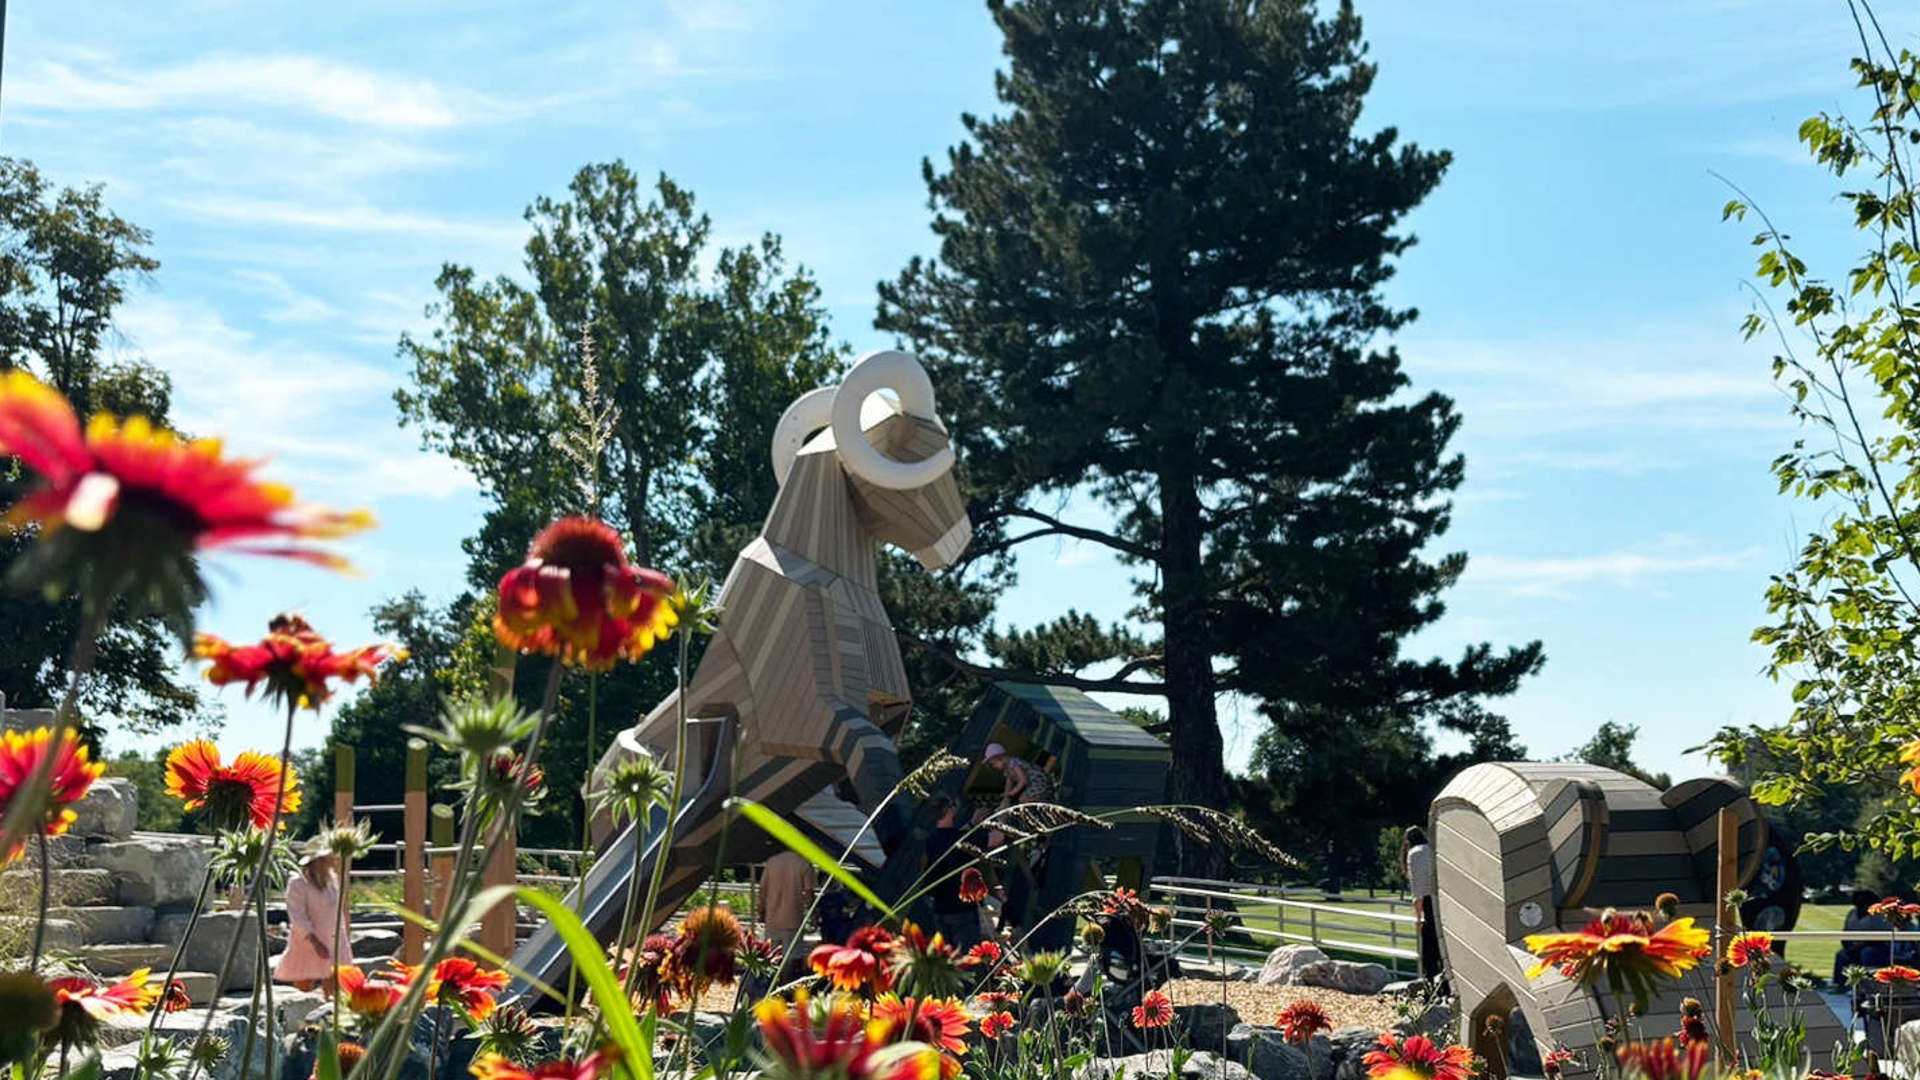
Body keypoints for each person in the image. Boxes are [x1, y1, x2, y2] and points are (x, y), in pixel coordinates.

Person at [276, 845, 351, 991]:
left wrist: (342, 932)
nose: (334, 861)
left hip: (333, 936)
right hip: (309, 938)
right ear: (317, 861)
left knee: (336, 975)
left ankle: (329, 1007)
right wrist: (315, 941)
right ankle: (302, 1009)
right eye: (329, 858)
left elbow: (336, 909)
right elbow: (297, 914)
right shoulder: (298, 883)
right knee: (305, 978)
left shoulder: (332, 880)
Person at [923, 794, 985, 950]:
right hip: (962, 910)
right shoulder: (958, 839)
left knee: (950, 959)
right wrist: (1005, 809)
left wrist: (972, 824)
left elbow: (953, 839)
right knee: (968, 958)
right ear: (948, 811)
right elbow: (997, 838)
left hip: (940, 909)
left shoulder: (930, 840)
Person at [758, 849, 816, 961]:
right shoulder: (804, 864)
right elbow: (809, 894)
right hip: (793, 919)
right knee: (791, 958)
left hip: (772, 919)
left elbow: (763, 890)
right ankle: (786, 979)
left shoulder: (772, 862)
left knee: (771, 957)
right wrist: (814, 916)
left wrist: (761, 911)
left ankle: (774, 978)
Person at [1403, 826, 1441, 981]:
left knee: (1429, 950)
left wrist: (1418, 918)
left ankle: (1430, 982)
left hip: (1428, 903)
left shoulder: (1414, 854)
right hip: (1441, 901)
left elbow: (1418, 889)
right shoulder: (1432, 850)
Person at [1838, 888, 1891, 984]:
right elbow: (1845, 933)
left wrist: (1861, 945)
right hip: (1853, 947)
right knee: (1841, 955)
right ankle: (1840, 984)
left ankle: (1867, 984)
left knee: (1867, 953)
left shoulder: (1879, 916)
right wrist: (1848, 946)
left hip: (1875, 947)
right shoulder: (1852, 914)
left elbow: (1880, 938)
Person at [983, 743, 1052, 809]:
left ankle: (1045, 801)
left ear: (1000, 758)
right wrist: (1005, 795)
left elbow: (1023, 780)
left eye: (994, 764)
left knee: (1023, 799)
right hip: (1030, 785)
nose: (995, 767)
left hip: (1038, 782)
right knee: (1022, 799)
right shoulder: (1006, 770)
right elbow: (1008, 783)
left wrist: (1012, 793)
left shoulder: (1014, 763)